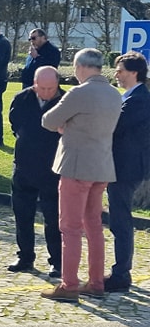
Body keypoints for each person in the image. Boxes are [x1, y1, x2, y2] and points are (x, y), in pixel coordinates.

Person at [40, 48, 122, 302]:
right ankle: (96, 282)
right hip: (102, 166)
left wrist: (67, 126)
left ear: (82, 67)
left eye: (75, 68)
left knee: (70, 228)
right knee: (94, 226)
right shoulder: (114, 94)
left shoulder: (79, 92)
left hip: (76, 167)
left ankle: (70, 284)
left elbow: (48, 120)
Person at [7, 66, 64, 278]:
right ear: (34, 83)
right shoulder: (22, 99)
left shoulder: (65, 100)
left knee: (53, 218)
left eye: (51, 88)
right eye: (42, 88)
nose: (47, 92)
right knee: (23, 215)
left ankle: (57, 261)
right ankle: (25, 256)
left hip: (53, 168)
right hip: (24, 165)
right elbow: (15, 124)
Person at [104, 53, 150, 292]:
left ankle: (121, 273)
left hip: (126, 168)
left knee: (120, 221)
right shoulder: (131, 97)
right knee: (118, 220)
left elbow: (115, 126)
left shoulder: (139, 99)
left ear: (134, 72)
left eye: (120, 70)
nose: (117, 75)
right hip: (121, 165)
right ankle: (121, 270)